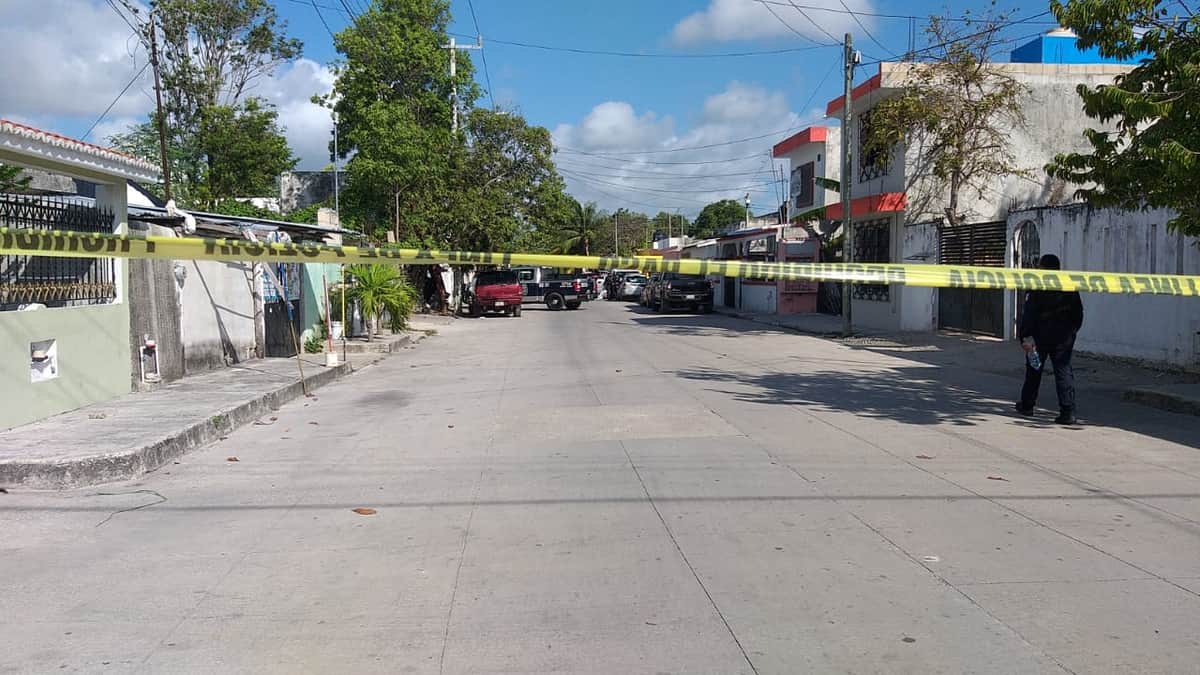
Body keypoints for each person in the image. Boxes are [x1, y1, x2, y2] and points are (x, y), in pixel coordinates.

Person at [1016, 254, 1084, 425]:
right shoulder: (1068, 284)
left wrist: (1025, 336)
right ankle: (1068, 411)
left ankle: (1027, 405)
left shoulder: (1037, 285)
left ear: (1042, 268)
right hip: (1063, 337)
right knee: (1063, 371)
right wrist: (1072, 331)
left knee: (1034, 370)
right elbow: (1078, 312)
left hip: (1039, 337)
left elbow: (1029, 314)